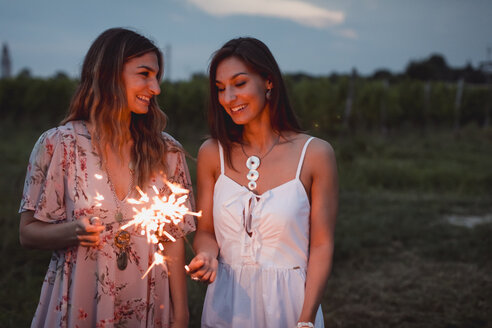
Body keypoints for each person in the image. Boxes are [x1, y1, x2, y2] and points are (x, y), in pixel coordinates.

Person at [18, 27, 195, 328]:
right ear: (108, 74)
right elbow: (27, 232)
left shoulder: (168, 151)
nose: (156, 88)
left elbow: (173, 240)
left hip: (150, 304)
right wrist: (72, 231)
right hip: (81, 301)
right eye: (144, 74)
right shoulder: (59, 144)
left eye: (157, 77)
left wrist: (181, 313)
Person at [187, 37, 338, 327]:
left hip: (291, 305)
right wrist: (206, 254)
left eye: (239, 83)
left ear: (268, 81)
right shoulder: (211, 153)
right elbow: (205, 231)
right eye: (220, 89)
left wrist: (306, 319)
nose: (228, 98)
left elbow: (322, 246)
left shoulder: (316, 154)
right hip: (227, 305)